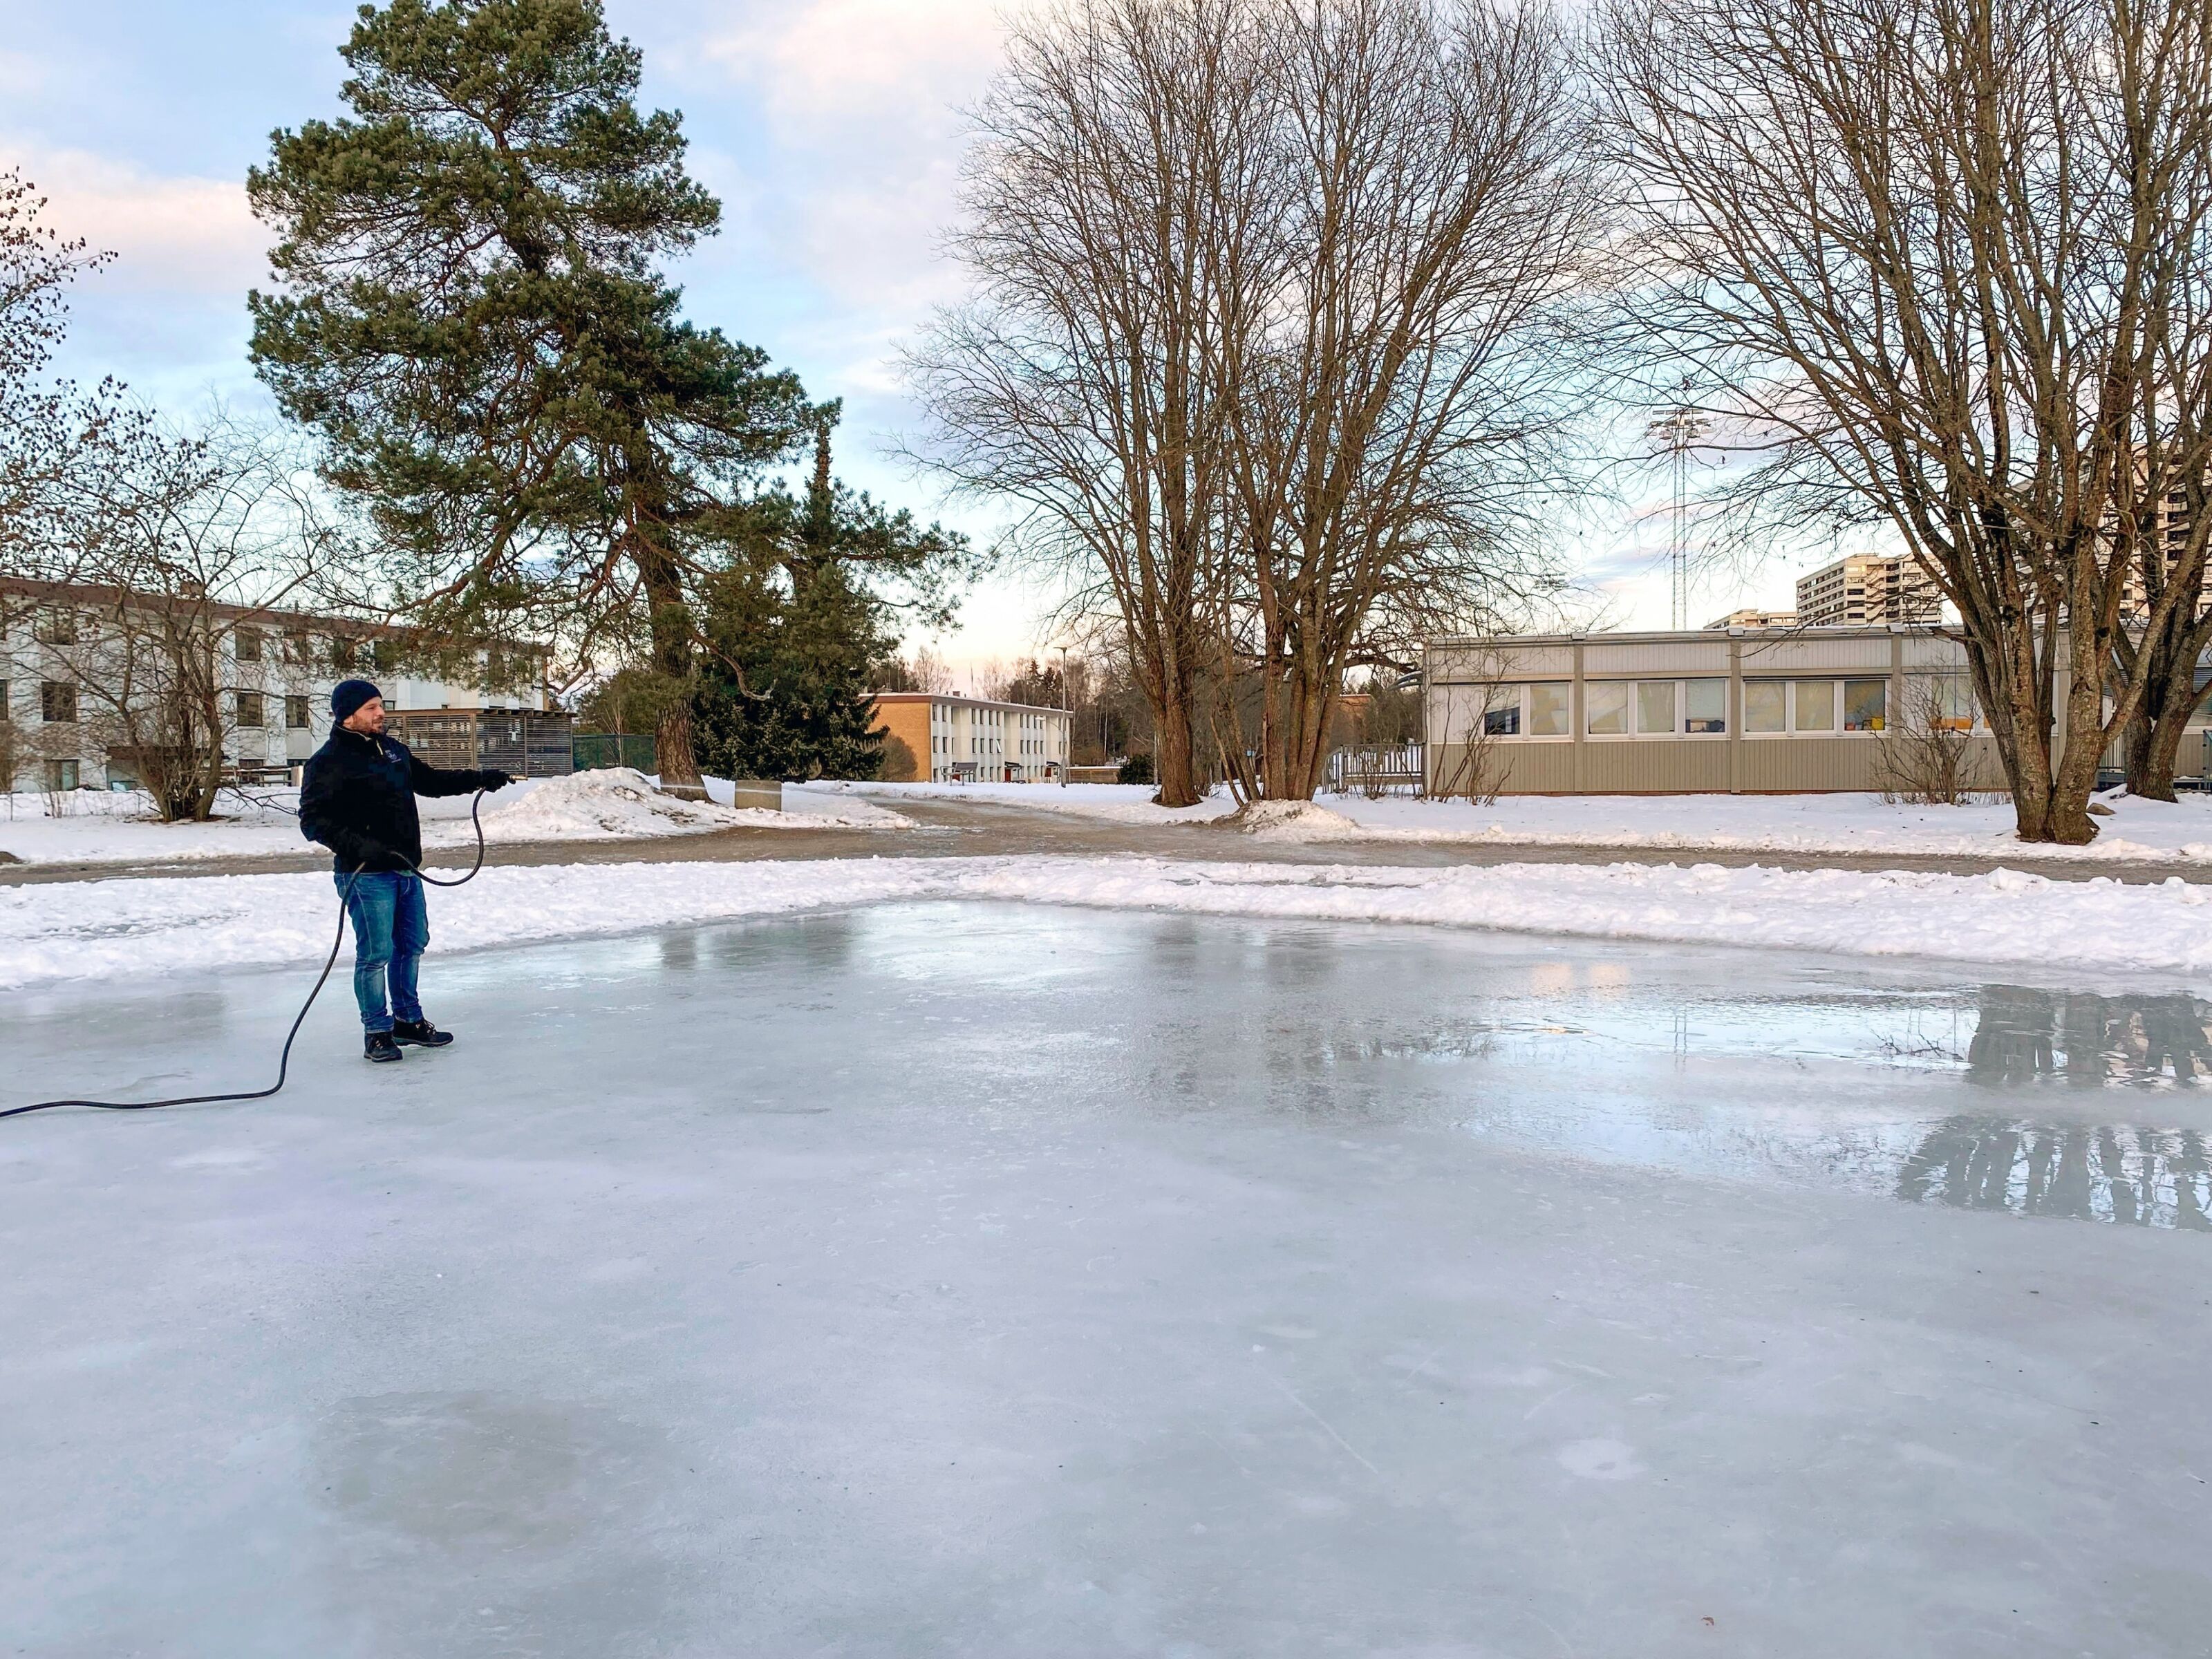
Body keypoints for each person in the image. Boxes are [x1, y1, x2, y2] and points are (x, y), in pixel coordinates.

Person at [299, 679, 518, 1063]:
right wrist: (358, 846)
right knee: (375, 954)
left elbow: (430, 782)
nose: (380, 713)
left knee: (412, 945)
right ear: (347, 715)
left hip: (406, 870)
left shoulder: (393, 750)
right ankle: (377, 1032)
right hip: (365, 876)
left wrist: (480, 778)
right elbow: (313, 820)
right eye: (371, 708)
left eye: (380, 705)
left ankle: (408, 1021)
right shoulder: (328, 761)